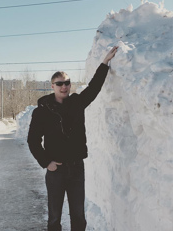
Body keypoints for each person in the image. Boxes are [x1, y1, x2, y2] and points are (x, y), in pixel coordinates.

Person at [27, 46, 118, 231]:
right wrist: (46, 163)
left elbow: (94, 88)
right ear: (52, 86)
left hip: (76, 168)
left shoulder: (77, 103)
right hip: (56, 171)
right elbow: (33, 140)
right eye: (59, 83)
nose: (64, 86)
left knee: (78, 216)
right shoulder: (42, 112)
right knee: (54, 217)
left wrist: (104, 63)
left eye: (67, 82)